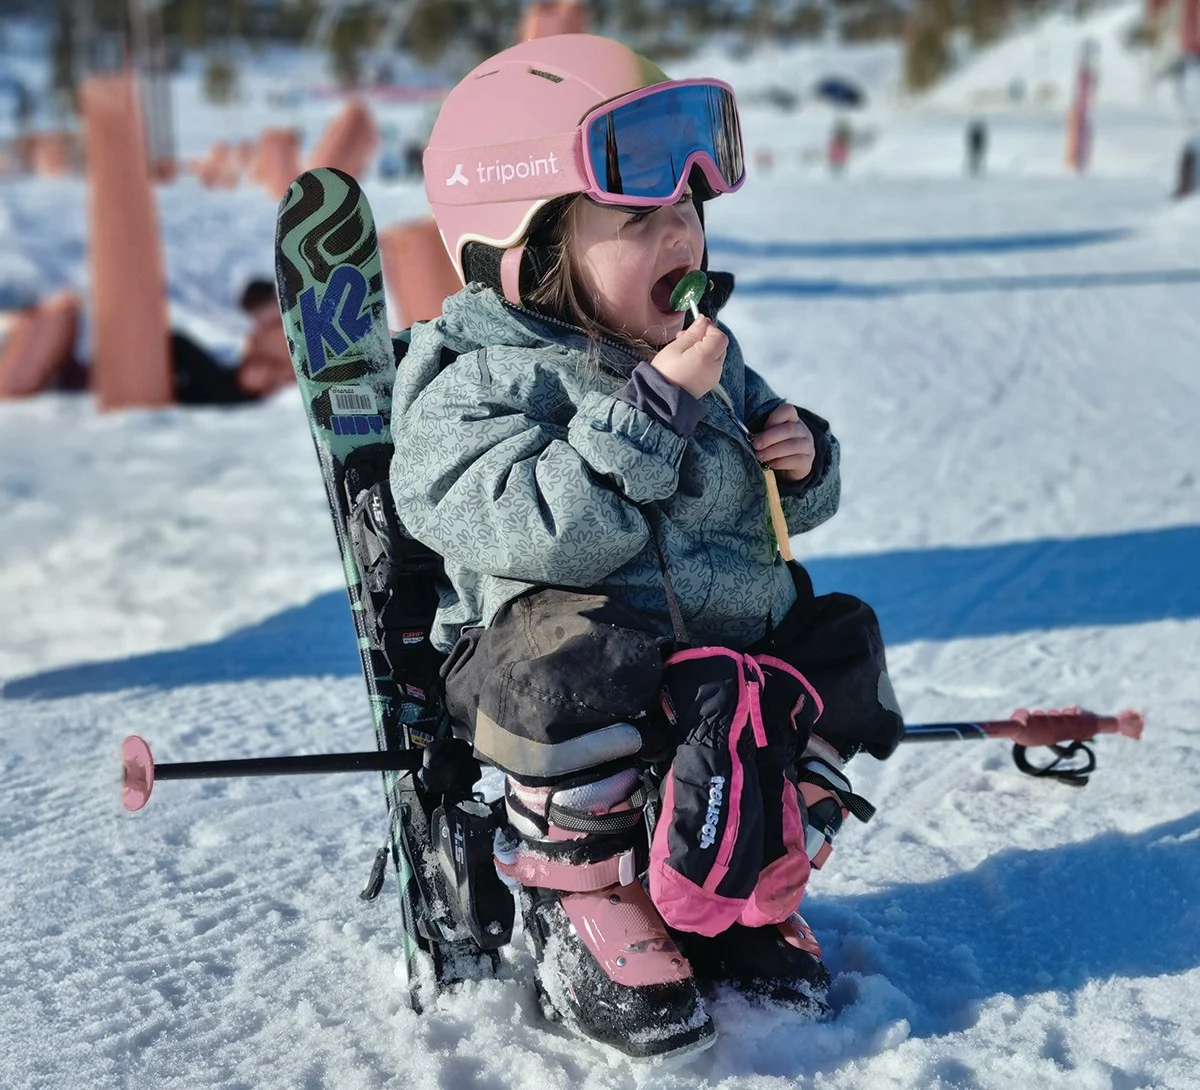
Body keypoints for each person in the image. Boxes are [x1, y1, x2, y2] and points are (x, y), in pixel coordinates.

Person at [389, 34, 904, 1059]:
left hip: (717, 672)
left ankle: (753, 871)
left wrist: (800, 463)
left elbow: (775, 513)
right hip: (563, 670)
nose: (681, 233)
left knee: (841, 641)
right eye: (637, 219)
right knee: (569, 660)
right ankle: (587, 894)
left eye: (689, 210)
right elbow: (549, 531)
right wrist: (651, 415)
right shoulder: (475, 385)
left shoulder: (704, 355)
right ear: (527, 244)